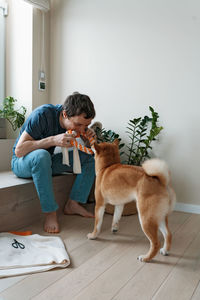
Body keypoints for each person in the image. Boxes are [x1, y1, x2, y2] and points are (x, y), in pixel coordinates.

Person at [11, 92, 96, 234]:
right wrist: (52, 140)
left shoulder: (77, 125)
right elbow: (19, 151)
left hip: (46, 162)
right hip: (22, 162)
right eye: (78, 124)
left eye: (86, 125)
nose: (82, 129)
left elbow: (84, 144)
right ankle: (50, 213)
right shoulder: (42, 115)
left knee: (89, 158)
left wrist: (88, 139)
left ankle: (73, 203)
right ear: (64, 114)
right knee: (42, 156)